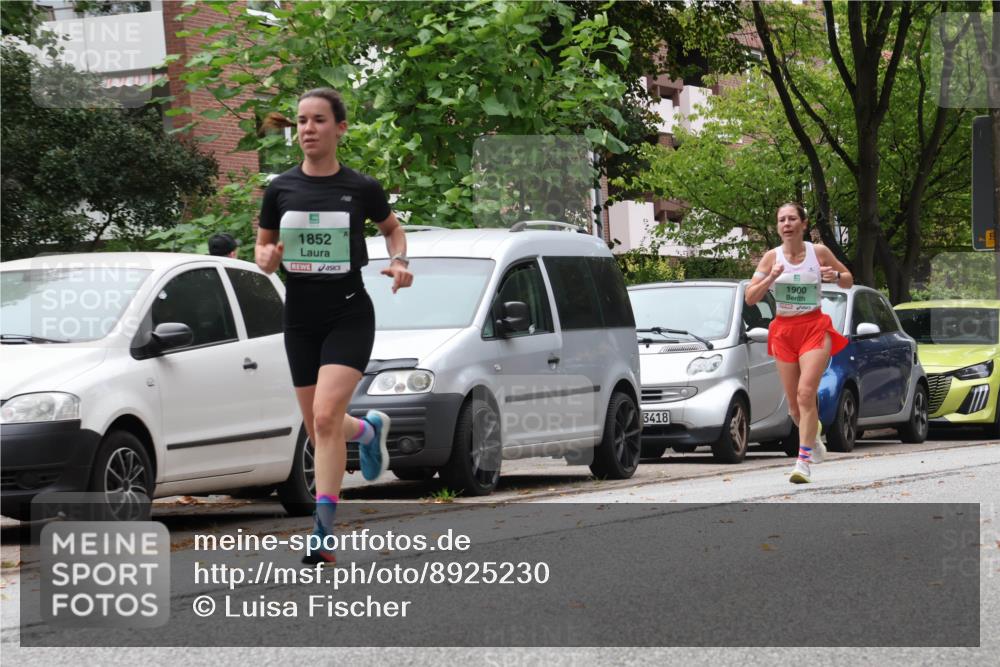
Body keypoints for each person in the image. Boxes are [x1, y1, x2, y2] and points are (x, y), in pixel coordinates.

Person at [255, 88, 413, 564]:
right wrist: (266, 258)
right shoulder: (279, 189)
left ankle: (322, 536)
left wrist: (400, 261)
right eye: (301, 121)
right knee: (320, 424)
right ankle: (366, 432)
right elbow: (263, 250)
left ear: (339, 128)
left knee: (324, 418)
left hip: (348, 313)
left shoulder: (360, 187)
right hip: (300, 320)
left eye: (319, 120)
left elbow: (392, 229)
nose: (307, 129)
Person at [745, 203, 852, 484]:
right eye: (782, 220)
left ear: (803, 224)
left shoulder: (818, 253)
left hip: (814, 328)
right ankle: (812, 435)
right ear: (778, 227)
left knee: (806, 393)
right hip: (783, 331)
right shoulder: (771, 257)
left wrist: (836, 276)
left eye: (792, 218)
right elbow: (750, 297)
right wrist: (770, 277)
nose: (787, 223)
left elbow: (848, 280)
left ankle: (802, 461)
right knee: (794, 407)